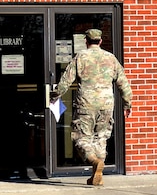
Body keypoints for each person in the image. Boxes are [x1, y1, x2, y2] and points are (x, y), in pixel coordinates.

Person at [51, 28, 132, 186]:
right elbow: (123, 83)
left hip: (86, 103)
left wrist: (54, 96)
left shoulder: (81, 56)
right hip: (107, 104)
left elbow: (66, 80)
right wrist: (127, 103)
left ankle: (94, 162)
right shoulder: (111, 58)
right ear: (100, 41)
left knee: (81, 138)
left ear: (86, 41)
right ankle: (98, 176)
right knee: (101, 138)